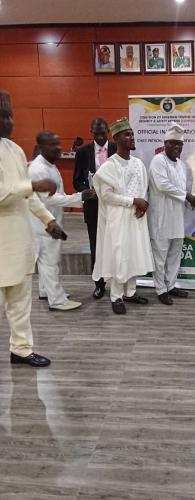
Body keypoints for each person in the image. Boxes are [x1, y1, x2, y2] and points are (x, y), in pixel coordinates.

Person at [0, 90, 66, 367]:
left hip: (19, 241)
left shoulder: (14, 150)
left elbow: (29, 198)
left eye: (10, 115)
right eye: (4, 115)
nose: (10, 121)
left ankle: (22, 349)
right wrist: (34, 185)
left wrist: (48, 221)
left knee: (20, 304)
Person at [92, 117, 154, 315]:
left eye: (132, 134)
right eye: (127, 134)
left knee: (133, 254)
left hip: (136, 217)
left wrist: (142, 205)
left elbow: (144, 188)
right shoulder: (109, 166)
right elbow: (106, 195)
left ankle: (130, 292)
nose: (132, 137)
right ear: (117, 138)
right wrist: (133, 201)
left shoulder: (138, 163)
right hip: (118, 218)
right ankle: (116, 296)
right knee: (120, 255)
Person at [29, 131, 95, 311]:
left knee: (47, 259)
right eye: (53, 145)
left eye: (59, 144)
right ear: (42, 147)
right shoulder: (38, 169)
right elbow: (49, 199)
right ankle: (57, 300)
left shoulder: (49, 165)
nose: (58, 148)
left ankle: (45, 290)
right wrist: (79, 197)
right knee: (49, 260)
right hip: (44, 223)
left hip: (50, 220)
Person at [148, 122, 195, 305]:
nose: (176, 147)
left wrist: (192, 203)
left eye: (179, 144)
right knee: (160, 256)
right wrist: (188, 196)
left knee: (174, 255)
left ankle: (171, 285)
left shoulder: (180, 165)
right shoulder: (158, 160)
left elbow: (180, 190)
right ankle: (160, 289)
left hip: (177, 219)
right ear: (165, 144)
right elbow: (163, 185)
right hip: (161, 219)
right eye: (172, 143)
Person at [73, 118, 117, 299]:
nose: (100, 137)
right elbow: (76, 180)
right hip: (93, 207)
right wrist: (86, 190)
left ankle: (117, 283)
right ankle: (99, 284)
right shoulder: (83, 152)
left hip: (114, 205)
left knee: (115, 244)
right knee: (95, 246)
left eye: (103, 133)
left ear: (108, 131)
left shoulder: (116, 149)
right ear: (91, 132)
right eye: (96, 133)